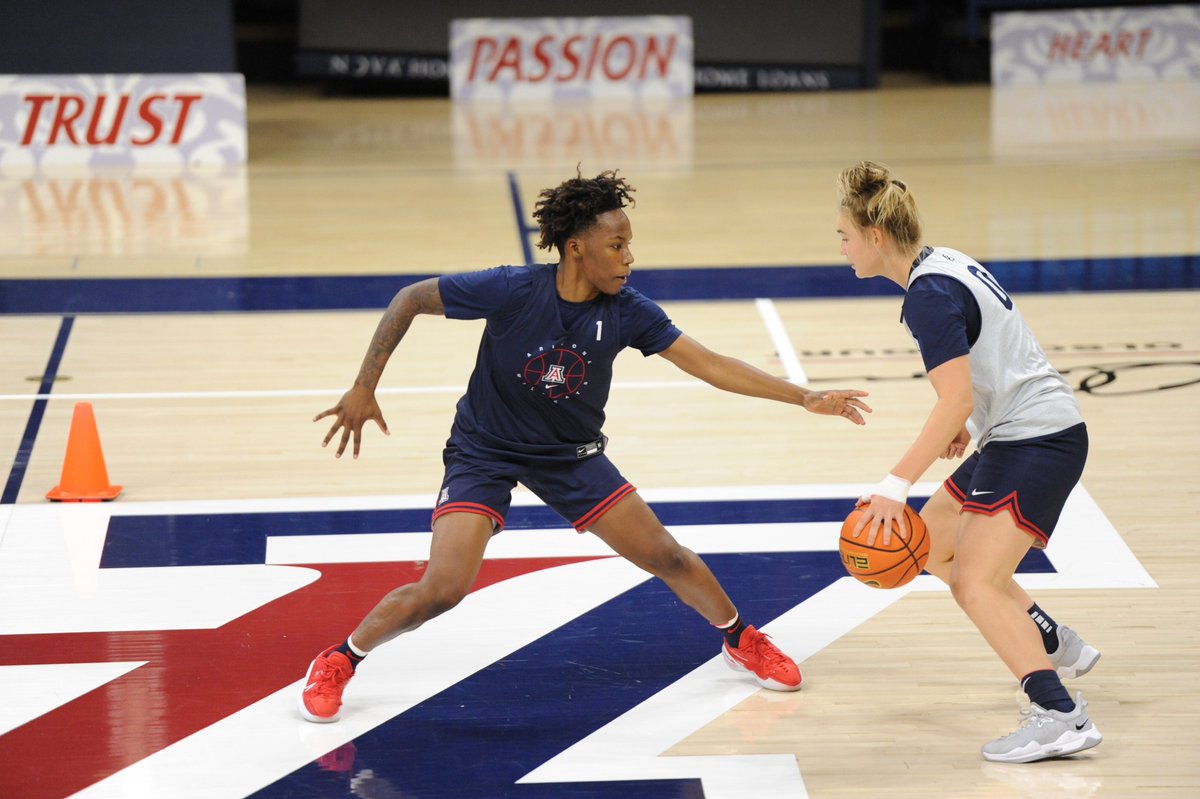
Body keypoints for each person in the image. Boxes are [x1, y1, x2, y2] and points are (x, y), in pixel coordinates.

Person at [299, 168, 873, 723]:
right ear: (576, 248)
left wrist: (802, 397)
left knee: (667, 555)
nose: (628, 257)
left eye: (630, 245)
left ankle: (741, 638)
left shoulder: (628, 311)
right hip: (485, 451)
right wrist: (363, 386)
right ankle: (338, 659)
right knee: (443, 589)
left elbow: (710, 364)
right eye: (617, 245)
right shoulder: (512, 289)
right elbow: (409, 299)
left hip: (570, 455)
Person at [836, 160, 1102, 763]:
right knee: (927, 546)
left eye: (845, 236)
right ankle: (1049, 637)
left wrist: (893, 484)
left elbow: (953, 392)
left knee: (973, 583)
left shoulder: (928, 296)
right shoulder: (941, 263)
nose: (843, 248)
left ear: (876, 237)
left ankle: (1059, 715)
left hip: (1038, 438)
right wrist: (965, 418)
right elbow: (985, 356)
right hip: (1013, 433)